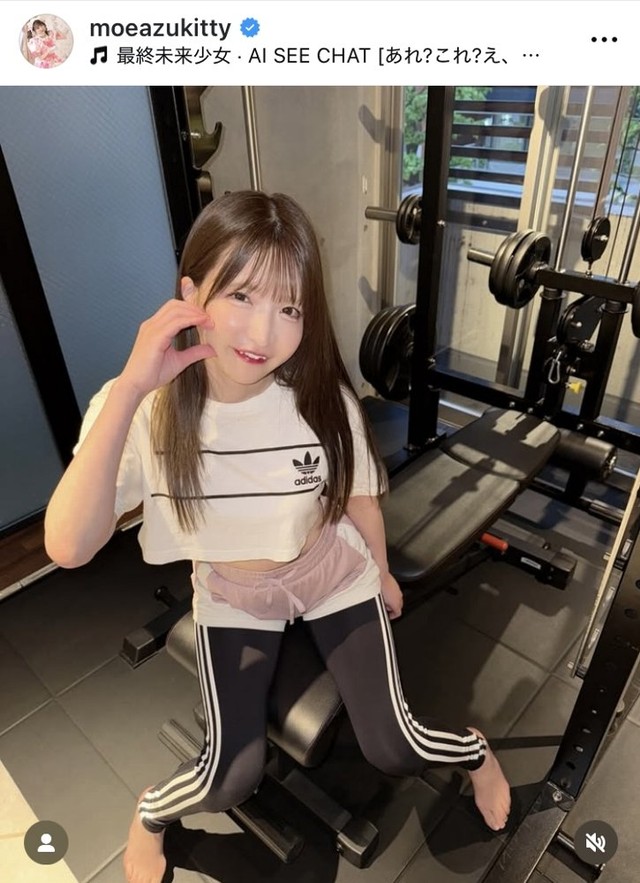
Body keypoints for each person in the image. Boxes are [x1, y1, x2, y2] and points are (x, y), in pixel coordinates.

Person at [44, 191, 510, 883]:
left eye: (290, 308)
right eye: (241, 295)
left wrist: (381, 570)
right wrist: (133, 389)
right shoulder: (144, 408)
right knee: (229, 776)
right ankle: (150, 813)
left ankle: (475, 752)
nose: (263, 331)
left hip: (330, 571)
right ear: (190, 293)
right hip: (234, 594)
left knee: (394, 746)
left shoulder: (319, 397)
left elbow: (356, 496)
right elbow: (68, 546)